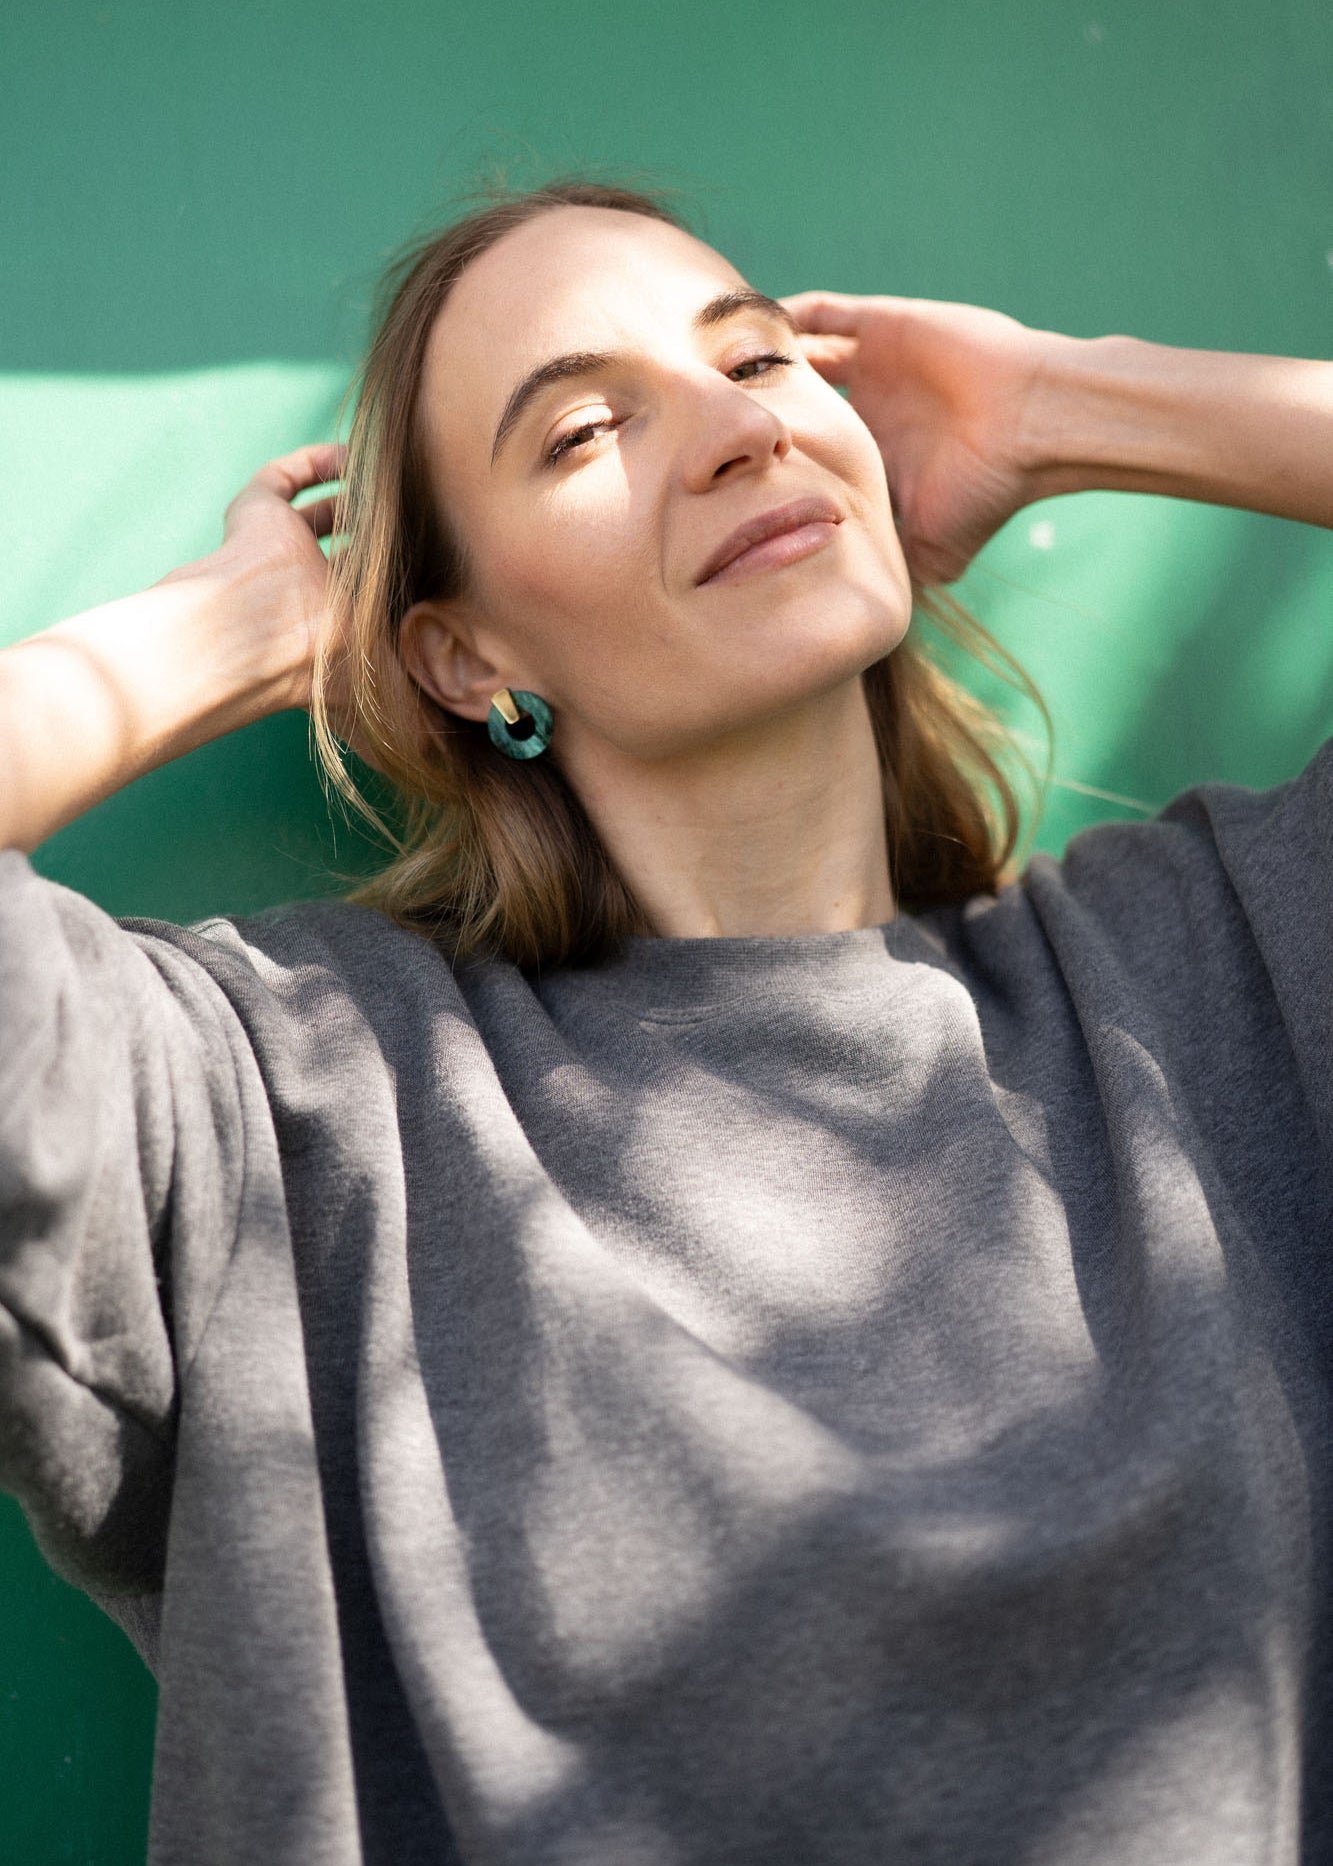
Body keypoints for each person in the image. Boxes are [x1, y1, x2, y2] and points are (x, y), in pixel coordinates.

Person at [0, 175, 1330, 1866]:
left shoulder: (1218, 968)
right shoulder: (282, 1112)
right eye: (577, 432)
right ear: (464, 655)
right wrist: (233, 633)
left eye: (762, 362)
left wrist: (1063, 403)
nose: (732, 431)